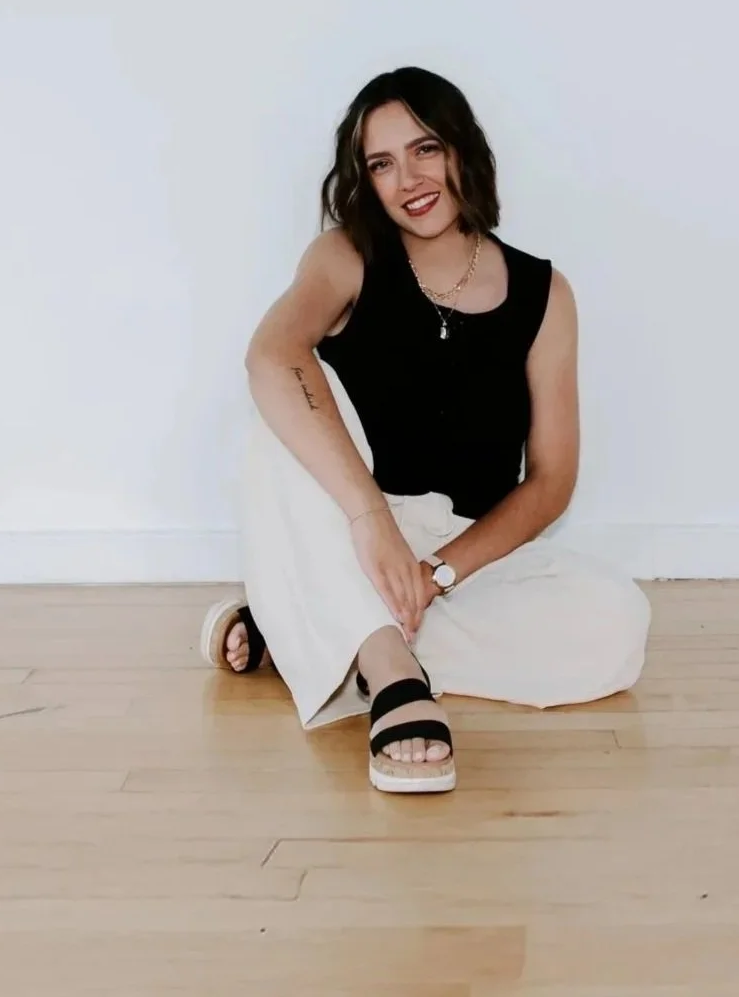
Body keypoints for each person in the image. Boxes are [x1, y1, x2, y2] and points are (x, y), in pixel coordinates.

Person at [199, 66, 652, 794]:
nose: (408, 178)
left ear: (461, 148)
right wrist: (370, 520)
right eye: (381, 163)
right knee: (282, 407)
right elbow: (270, 355)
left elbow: (551, 482)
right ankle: (392, 675)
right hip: (347, 527)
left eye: (425, 149)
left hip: (462, 559)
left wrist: (439, 573)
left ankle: (311, 625)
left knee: (617, 622)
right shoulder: (346, 257)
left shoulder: (545, 294)